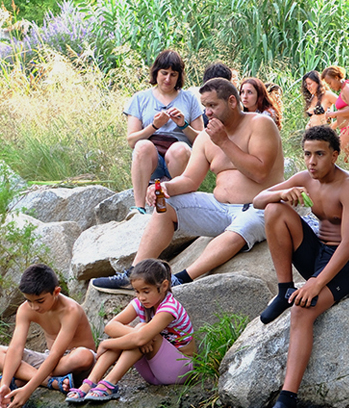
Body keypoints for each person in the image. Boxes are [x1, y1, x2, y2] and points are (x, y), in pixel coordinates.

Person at [92, 78, 285, 292]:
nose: (208, 113)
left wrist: (223, 142)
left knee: (245, 225)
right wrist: (166, 189)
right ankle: (135, 274)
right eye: (205, 107)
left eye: (213, 106)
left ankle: (181, 279)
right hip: (220, 208)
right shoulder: (206, 138)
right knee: (169, 205)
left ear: (232, 101)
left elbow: (259, 172)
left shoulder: (260, 124)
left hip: (259, 207)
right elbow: (191, 180)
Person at [250, 125, 349, 408]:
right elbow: (257, 200)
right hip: (319, 255)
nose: (312, 161)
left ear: (335, 154)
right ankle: (283, 289)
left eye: (320, 154)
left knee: (302, 312)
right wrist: (282, 192)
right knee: (273, 210)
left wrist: (317, 282)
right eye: (307, 154)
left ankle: (286, 404)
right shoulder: (306, 179)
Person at [68, 260, 195, 403]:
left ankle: (109, 382)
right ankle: (89, 382)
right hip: (152, 374)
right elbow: (111, 326)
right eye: (137, 291)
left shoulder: (169, 308)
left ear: (164, 286)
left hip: (179, 370)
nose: (141, 297)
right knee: (139, 332)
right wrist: (135, 336)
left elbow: (140, 338)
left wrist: (108, 343)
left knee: (141, 331)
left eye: (146, 291)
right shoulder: (141, 303)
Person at [0, 264, 96, 408]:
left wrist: (28, 389)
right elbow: (16, 347)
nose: (34, 307)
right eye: (29, 300)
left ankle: (24, 380)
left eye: (40, 301)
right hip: (49, 363)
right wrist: (5, 383)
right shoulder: (25, 309)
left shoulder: (70, 310)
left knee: (83, 355)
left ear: (56, 292)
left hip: (70, 362)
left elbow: (56, 354)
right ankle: (53, 383)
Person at [124, 49, 205, 215]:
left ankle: (180, 204)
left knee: (179, 149)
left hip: (179, 158)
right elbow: (132, 141)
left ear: (179, 77)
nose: (168, 79)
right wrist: (154, 126)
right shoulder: (139, 99)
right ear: (156, 73)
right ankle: (139, 207)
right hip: (152, 159)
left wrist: (183, 125)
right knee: (142, 146)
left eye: (173, 74)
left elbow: (202, 140)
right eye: (164, 73)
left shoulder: (189, 99)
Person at [320, 65, 349, 164]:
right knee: (347, 165)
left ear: (337, 77)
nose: (330, 87)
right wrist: (333, 126)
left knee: (335, 162)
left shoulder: (347, 89)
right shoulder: (345, 89)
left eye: (330, 83)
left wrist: (334, 113)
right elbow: (347, 113)